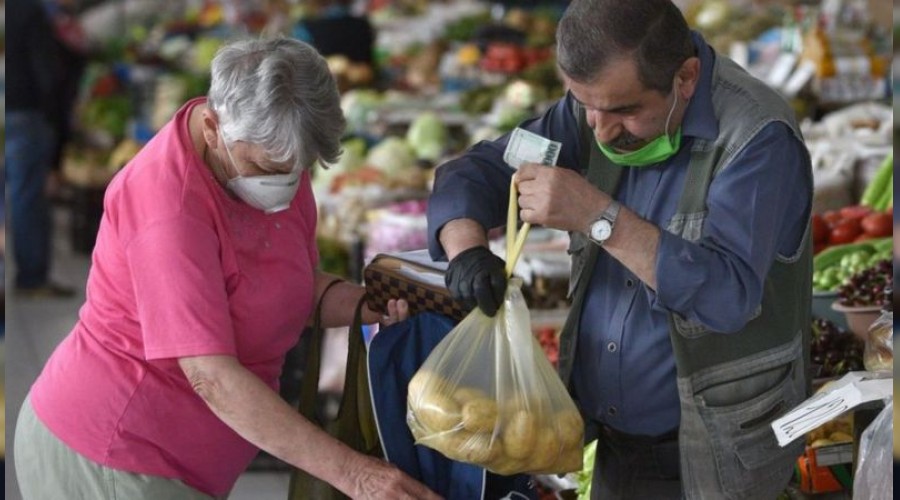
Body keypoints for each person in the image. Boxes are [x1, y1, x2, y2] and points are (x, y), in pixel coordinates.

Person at [15, 37, 440, 500]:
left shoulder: (271, 151)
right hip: (115, 456)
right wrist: (354, 475)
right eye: (264, 166)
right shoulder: (168, 207)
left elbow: (281, 289)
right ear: (214, 128)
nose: (281, 183)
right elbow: (210, 374)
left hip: (188, 464)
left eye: (296, 169)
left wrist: (369, 303)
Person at [428, 1, 813, 499]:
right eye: (585, 105)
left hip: (720, 457)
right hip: (615, 452)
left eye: (625, 111)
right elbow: (477, 170)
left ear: (687, 78)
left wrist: (597, 216)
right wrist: (467, 251)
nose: (601, 129)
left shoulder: (755, 139)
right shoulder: (590, 112)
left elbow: (727, 296)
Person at [6, 0, 75, 298]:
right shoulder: (28, 10)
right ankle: (32, 279)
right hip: (24, 112)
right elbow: (46, 72)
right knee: (28, 197)